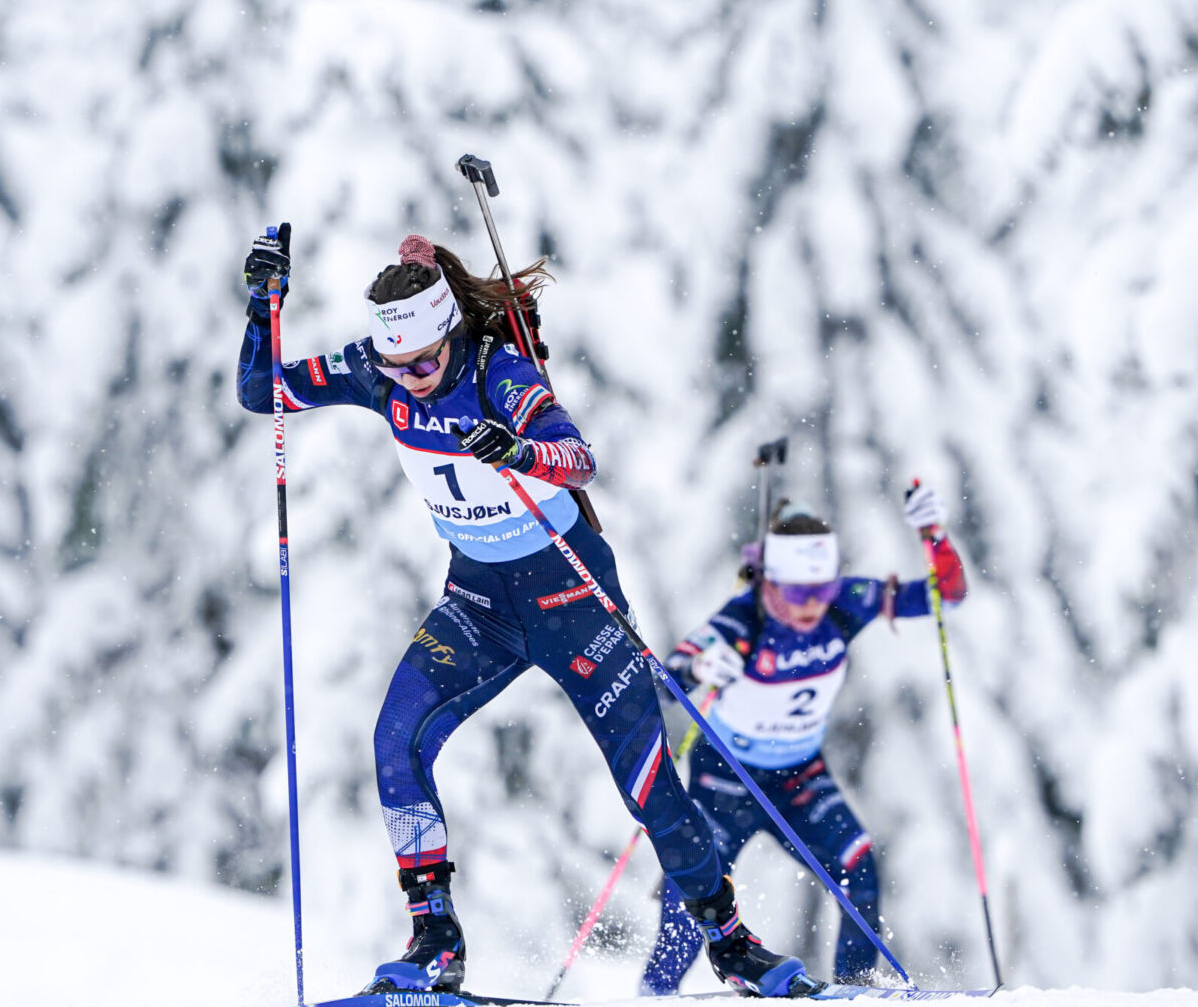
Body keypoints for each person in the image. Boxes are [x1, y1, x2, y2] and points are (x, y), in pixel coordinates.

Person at [237, 226, 813, 996]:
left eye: (425, 361)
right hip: (479, 606)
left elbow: (579, 457)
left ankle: (733, 942)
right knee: (394, 741)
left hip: (575, 602)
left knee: (649, 786)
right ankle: (435, 940)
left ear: (448, 334)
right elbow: (261, 390)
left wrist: (516, 450)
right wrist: (261, 305)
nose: (410, 378)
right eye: (396, 365)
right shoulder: (376, 371)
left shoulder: (498, 373)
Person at [638, 489, 968, 994]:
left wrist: (936, 538)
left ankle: (855, 989)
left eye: (822, 588)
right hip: (727, 780)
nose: (812, 605)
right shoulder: (743, 618)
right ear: (769, 582)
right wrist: (700, 666)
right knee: (697, 891)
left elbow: (947, 596)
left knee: (858, 866)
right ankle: (656, 994)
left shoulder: (845, 603)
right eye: (796, 593)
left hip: (799, 776)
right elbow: (665, 678)